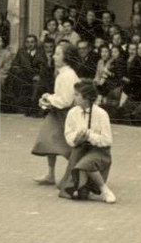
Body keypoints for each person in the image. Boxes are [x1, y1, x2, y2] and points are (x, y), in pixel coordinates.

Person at [58, 80, 117, 204]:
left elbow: (107, 140)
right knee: (80, 194)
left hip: (99, 151)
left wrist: (89, 135)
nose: (74, 97)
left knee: (86, 163)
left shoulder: (101, 114)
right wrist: (77, 138)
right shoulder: (72, 113)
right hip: (80, 150)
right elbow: (68, 136)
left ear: (87, 98)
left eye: (77, 95)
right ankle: (84, 185)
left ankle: (104, 189)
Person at [31, 42, 81, 187]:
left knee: (67, 146)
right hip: (58, 113)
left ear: (66, 57)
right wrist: (50, 98)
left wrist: (49, 99)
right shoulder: (63, 73)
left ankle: (80, 173)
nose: (54, 56)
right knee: (48, 140)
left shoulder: (67, 75)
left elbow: (65, 101)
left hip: (65, 115)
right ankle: (51, 174)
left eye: (58, 54)